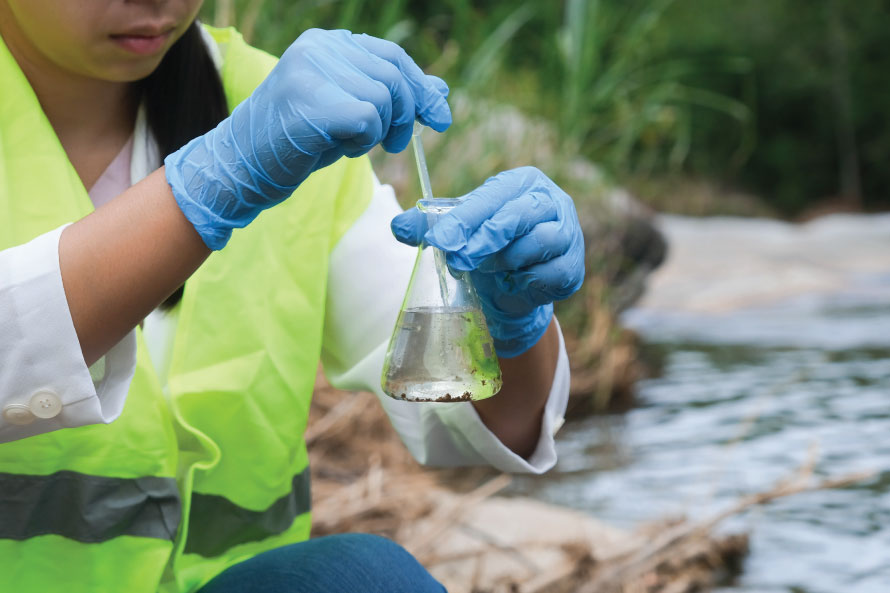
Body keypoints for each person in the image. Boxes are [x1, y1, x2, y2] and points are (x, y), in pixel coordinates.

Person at [0, 1, 585, 592]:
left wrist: (512, 319)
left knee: (363, 579)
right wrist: (208, 185)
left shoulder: (282, 101)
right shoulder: (268, 127)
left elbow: (471, 421)